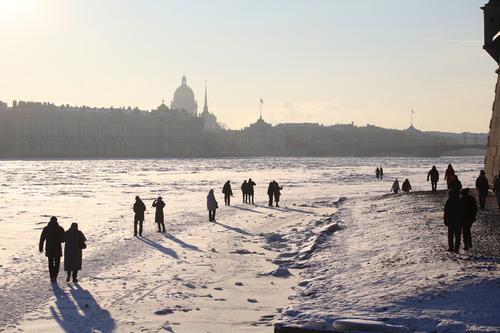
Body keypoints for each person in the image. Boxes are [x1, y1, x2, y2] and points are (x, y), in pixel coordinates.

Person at [39, 216, 66, 283]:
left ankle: (52, 276)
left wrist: (40, 247)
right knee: (57, 263)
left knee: (50, 263)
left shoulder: (46, 228)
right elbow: (64, 239)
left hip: (49, 248)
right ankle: (55, 276)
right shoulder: (60, 228)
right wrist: (61, 240)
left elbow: (42, 238)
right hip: (57, 248)